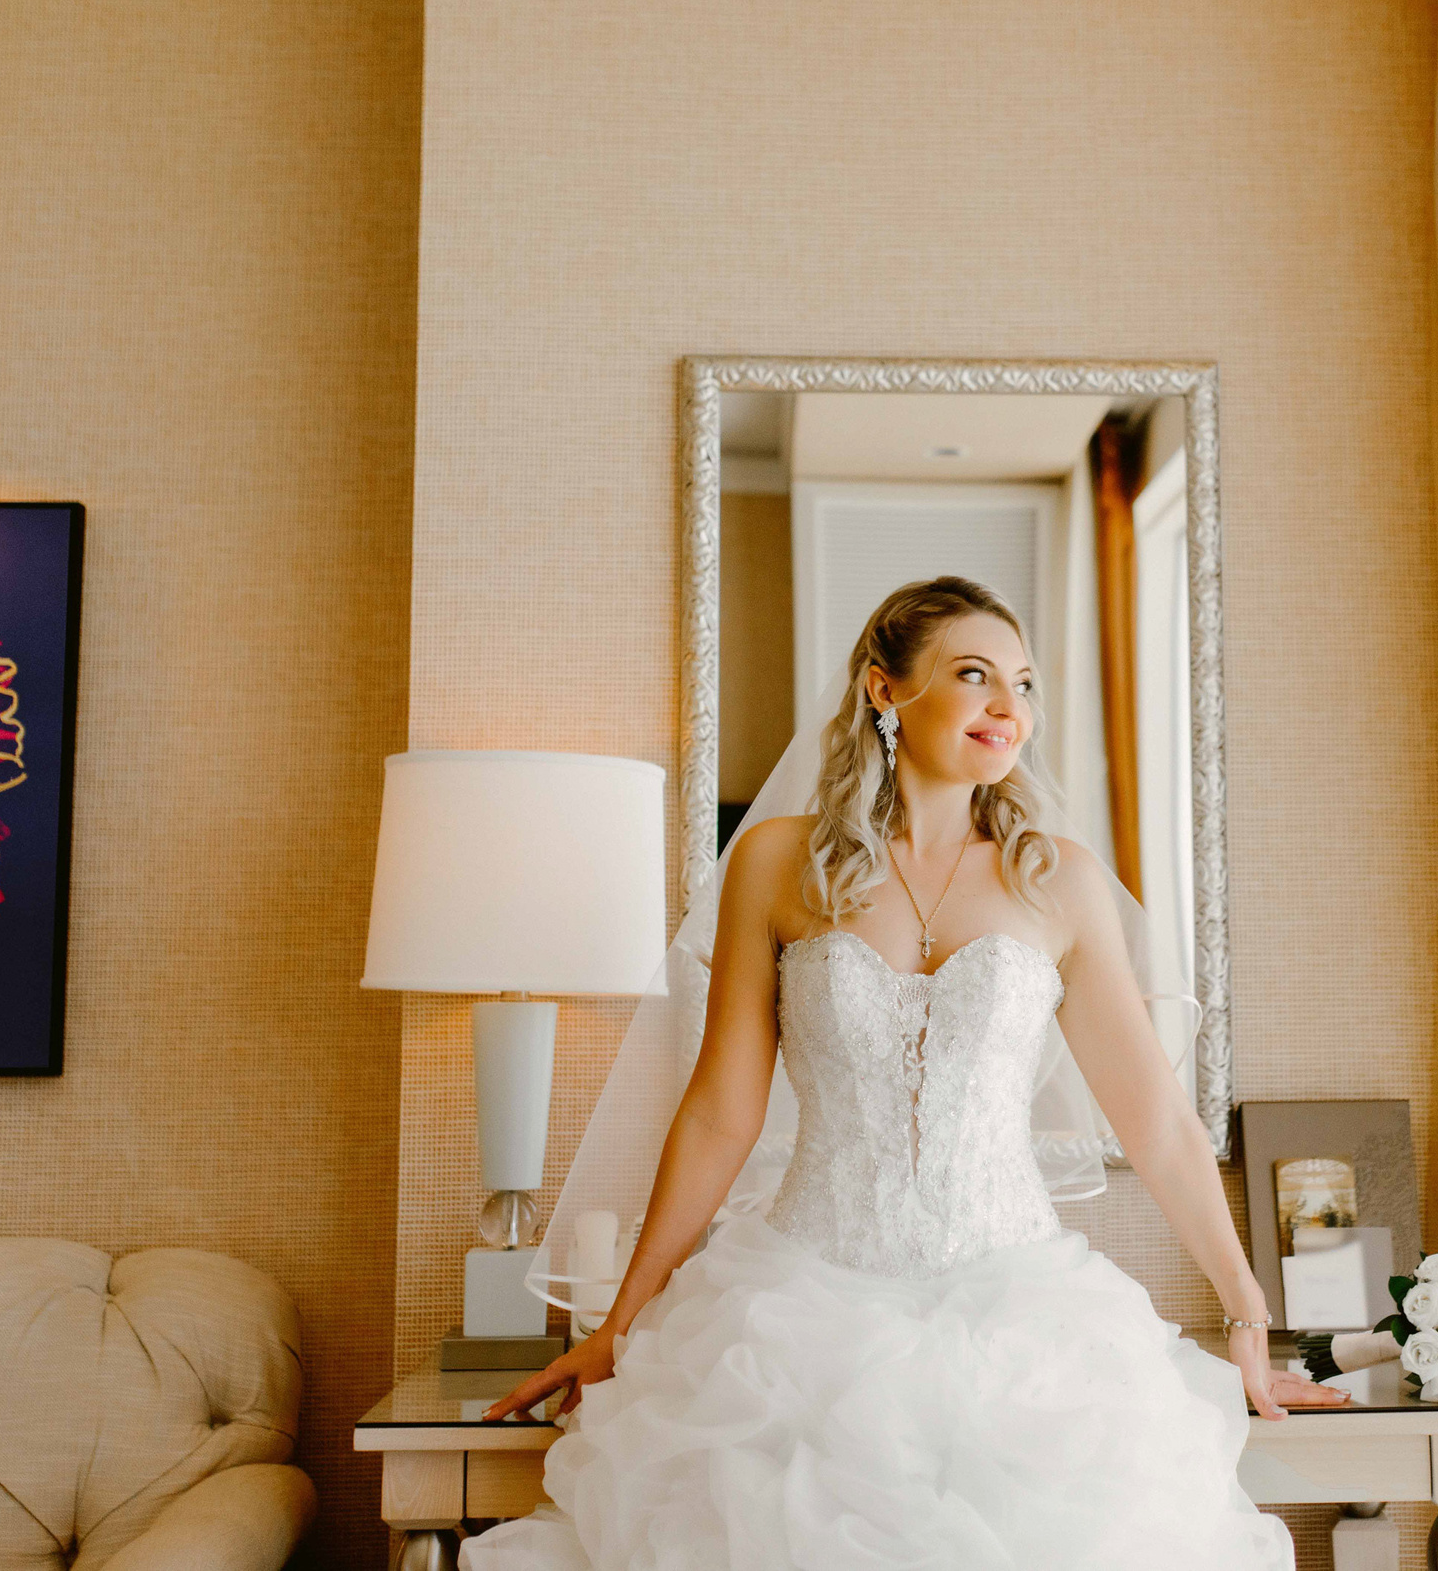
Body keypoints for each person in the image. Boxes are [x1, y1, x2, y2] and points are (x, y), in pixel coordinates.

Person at [460, 576, 1348, 1570]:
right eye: (973, 675)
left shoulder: (1056, 879)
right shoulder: (776, 862)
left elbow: (1158, 1124)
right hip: (798, 1313)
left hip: (1020, 1322)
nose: (1009, 706)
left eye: (1022, 682)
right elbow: (719, 1114)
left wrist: (1247, 1313)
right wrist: (620, 1323)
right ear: (885, 691)